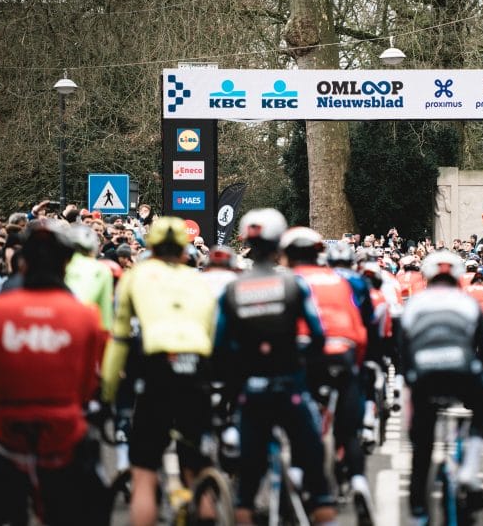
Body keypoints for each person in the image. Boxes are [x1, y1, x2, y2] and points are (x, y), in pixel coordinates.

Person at [0, 219, 110, 525]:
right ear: (65, 265)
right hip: (63, 440)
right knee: (96, 506)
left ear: (22, 264)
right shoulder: (85, 316)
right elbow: (88, 386)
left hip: (8, 438)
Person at [213, 209, 336, 526]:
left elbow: (219, 344)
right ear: (279, 243)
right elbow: (318, 334)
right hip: (290, 386)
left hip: (251, 391)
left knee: (246, 488)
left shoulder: (232, 290)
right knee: (316, 477)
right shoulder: (294, 284)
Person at [100, 216, 218, 526]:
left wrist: (107, 391)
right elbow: (212, 333)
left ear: (150, 247)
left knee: (144, 472)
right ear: (184, 250)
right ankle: (206, 506)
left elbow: (120, 338)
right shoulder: (198, 279)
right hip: (198, 365)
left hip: (159, 365)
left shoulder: (136, 276)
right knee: (198, 468)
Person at [400, 250, 483, 524]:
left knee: (421, 449)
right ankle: (469, 468)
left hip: (424, 376)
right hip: (462, 374)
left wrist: (408, 379)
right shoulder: (467, 303)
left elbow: (403, 352)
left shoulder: (415, 303)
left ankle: (418, 510)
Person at [284, 229, 376, 523]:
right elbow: (361, 326)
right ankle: (360, 482)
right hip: (346, 350)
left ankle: (298, 479)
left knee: (301, 424)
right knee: (348, 432)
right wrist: (357, 364)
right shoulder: (340, 280)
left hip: (308, 351)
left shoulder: (290, 280)